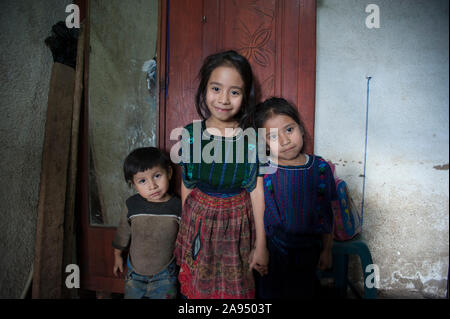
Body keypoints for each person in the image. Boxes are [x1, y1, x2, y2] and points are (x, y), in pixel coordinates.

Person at [173, 50, 269, 299]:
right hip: (198, 221)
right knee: (197, 291)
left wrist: (261, 244)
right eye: (216, 88)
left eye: (234, 92)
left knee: (233, 291)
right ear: (204, 88)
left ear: (245, 96)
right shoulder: (191, 134)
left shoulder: (252, 140)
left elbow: (256, 191)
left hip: (237, 223)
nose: (224, 99)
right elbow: (187, 184)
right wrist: (186, 228)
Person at [253, 97, 337, 298]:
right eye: (273, 137)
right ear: (264, 144)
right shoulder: (264, 169)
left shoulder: (320, 167)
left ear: (300, 128)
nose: (284, 141)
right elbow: (259, 211)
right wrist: (260, 249)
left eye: (289, 130)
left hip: (310, 251)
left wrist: (327, 250)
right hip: (274, 252)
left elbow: (327, 212)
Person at [112, 147, 181, 299]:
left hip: (166, 275)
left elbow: (185, 239)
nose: (152, 186)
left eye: (157, 176)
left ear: (169, 173)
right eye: (142, 181)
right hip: (134, 274)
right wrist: (117, 255)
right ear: (133, 184)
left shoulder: (178, 206)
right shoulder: (132, 205)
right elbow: (123, 231)